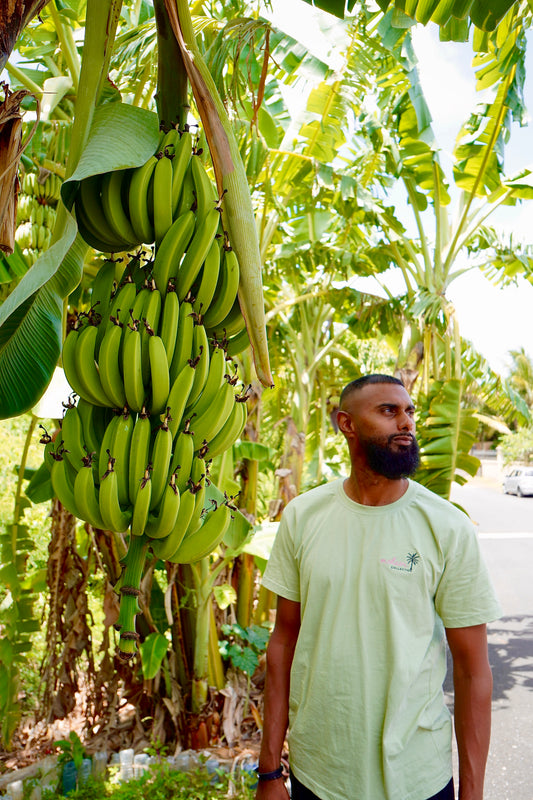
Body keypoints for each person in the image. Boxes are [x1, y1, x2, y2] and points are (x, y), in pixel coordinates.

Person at [256, 374, 501, 800]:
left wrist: (473, 794)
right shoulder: (303, 517)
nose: (405, 422)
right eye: (388, 411)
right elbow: (283, 643)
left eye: (409, 411)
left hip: (418, 777)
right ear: (346, 424)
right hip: (320, 772)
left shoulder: (446, 526)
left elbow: (472, 670)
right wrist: (269, 771)